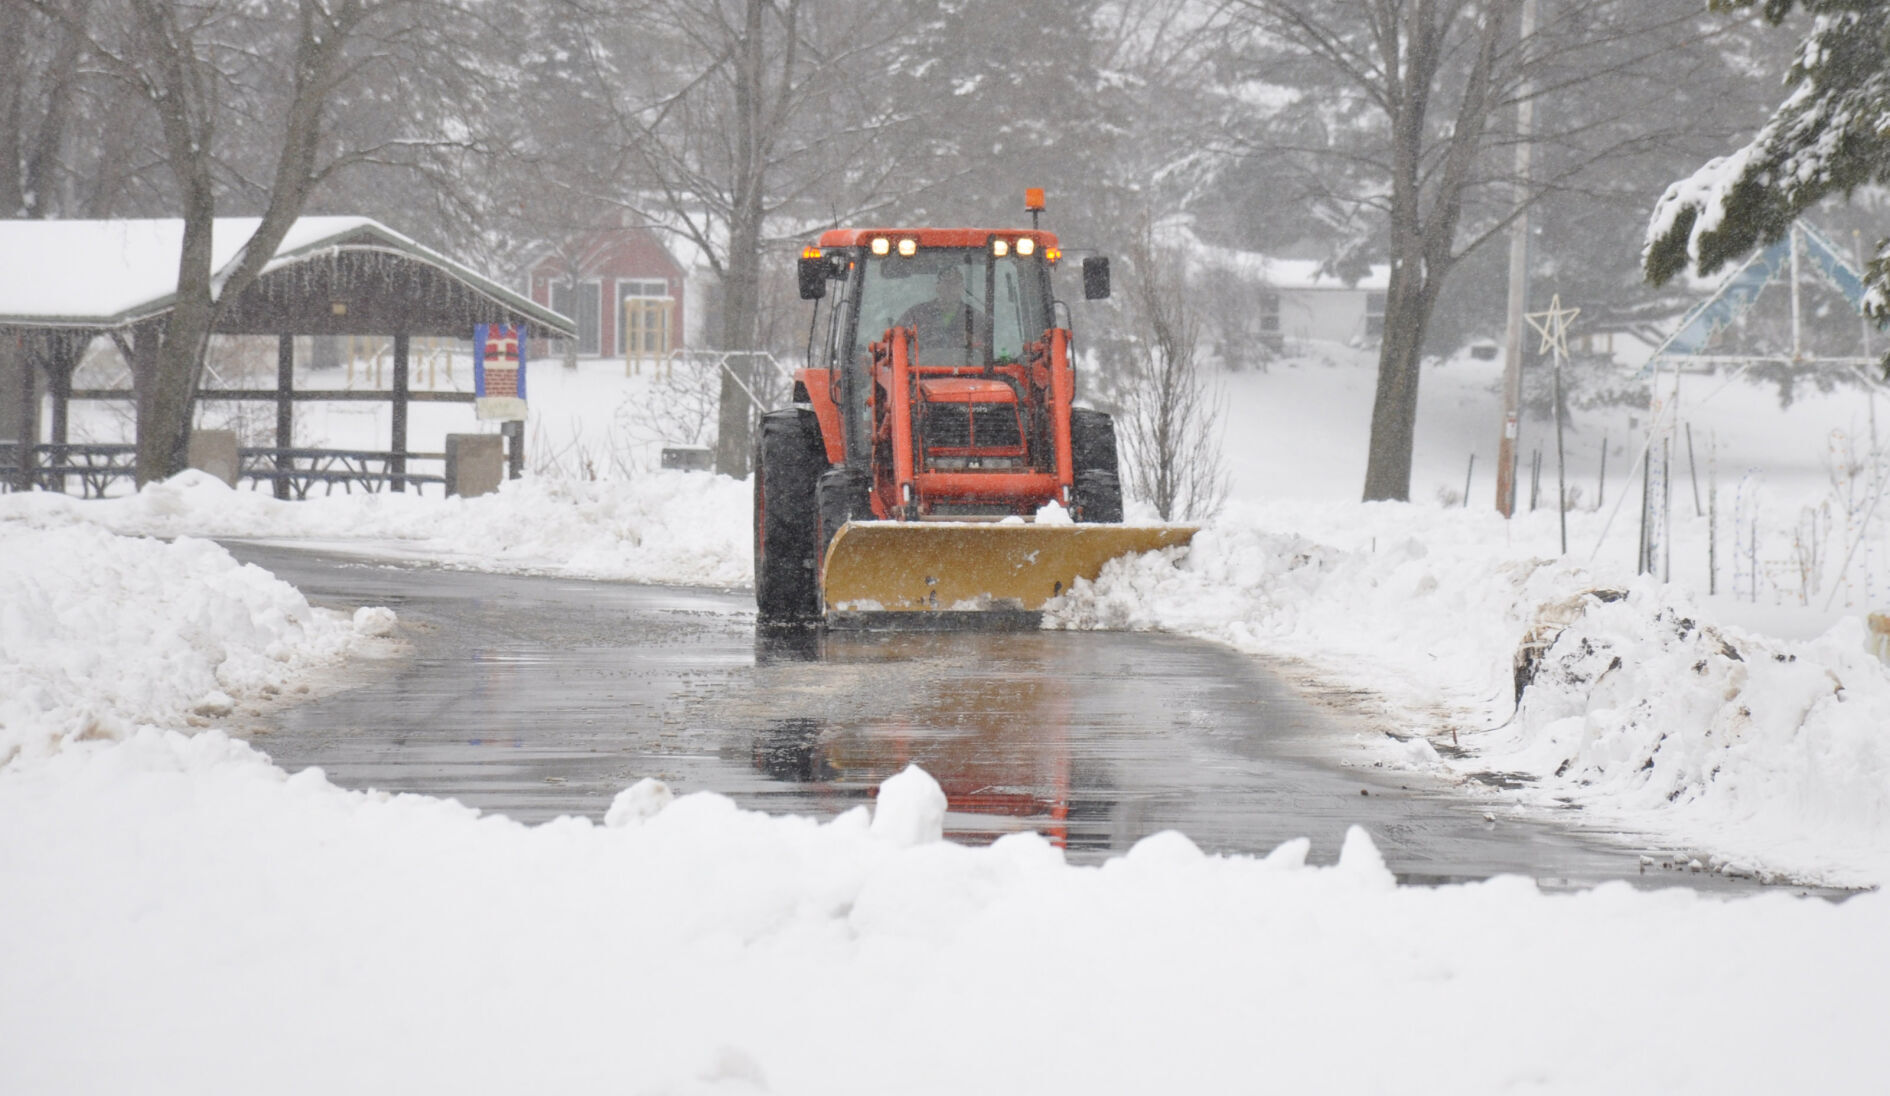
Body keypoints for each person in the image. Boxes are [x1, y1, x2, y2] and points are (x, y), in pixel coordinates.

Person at [898, 265, 982, 362]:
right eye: (946, 283)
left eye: (955, 284)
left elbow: (988, 352)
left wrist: (975, 343)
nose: (950, 288)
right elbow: (897, 344)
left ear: (962, 288)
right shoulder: (915, 315)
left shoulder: (976, 318)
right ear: (937, 286)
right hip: (918, 374)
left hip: (970, 373)